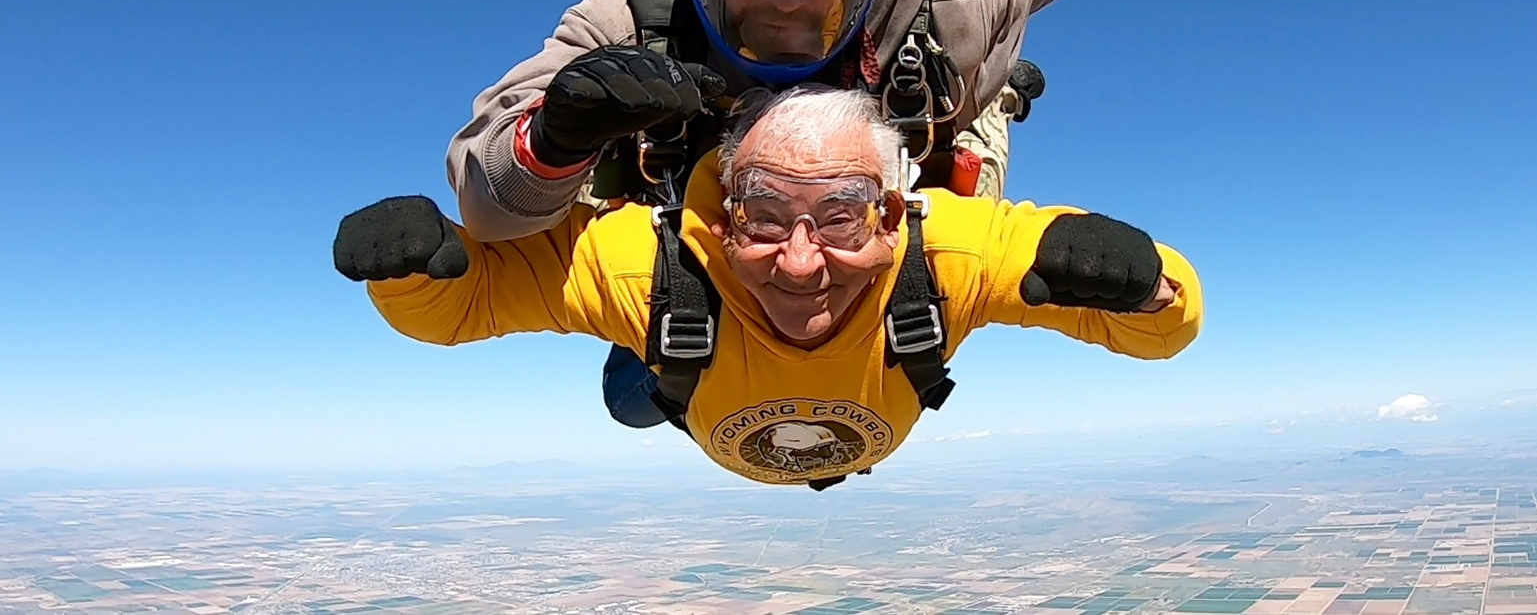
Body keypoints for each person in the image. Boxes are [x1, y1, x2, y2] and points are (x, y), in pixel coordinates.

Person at [445, 0, 1286, 430]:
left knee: (952, 235)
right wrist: (556, 137)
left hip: (889, 170)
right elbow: (487, 208)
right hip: (706, 209)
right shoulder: (632, 17)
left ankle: (995, 108)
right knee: (638, 389)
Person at [335, 86, 1203, 490]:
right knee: (629, 396)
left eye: (840, 216)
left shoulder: (949, 252)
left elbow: (1163, 327)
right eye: (761, 217)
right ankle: (642, 168)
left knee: (969, 185)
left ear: (893, 217)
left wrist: (1149, 286)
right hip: (687, 348)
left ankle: (989, 103)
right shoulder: (645, 265)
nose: (799, 260)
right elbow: (465, 302)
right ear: (719, 217)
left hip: (745, 378)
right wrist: (415, 265)